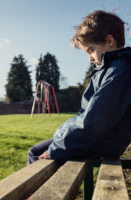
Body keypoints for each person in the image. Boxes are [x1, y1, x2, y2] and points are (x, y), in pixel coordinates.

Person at [28, 10, 131, 165]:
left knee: (36, 154)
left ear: (109, 41)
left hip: (103, 142)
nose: (89, 57)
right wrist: (61, 134)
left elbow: (96, 121)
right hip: (99, 139)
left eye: (91, 50)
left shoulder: (119, 70)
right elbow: (86, 115)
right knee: (43, 147)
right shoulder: (108, 69)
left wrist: (56, 148)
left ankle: (48, 190)